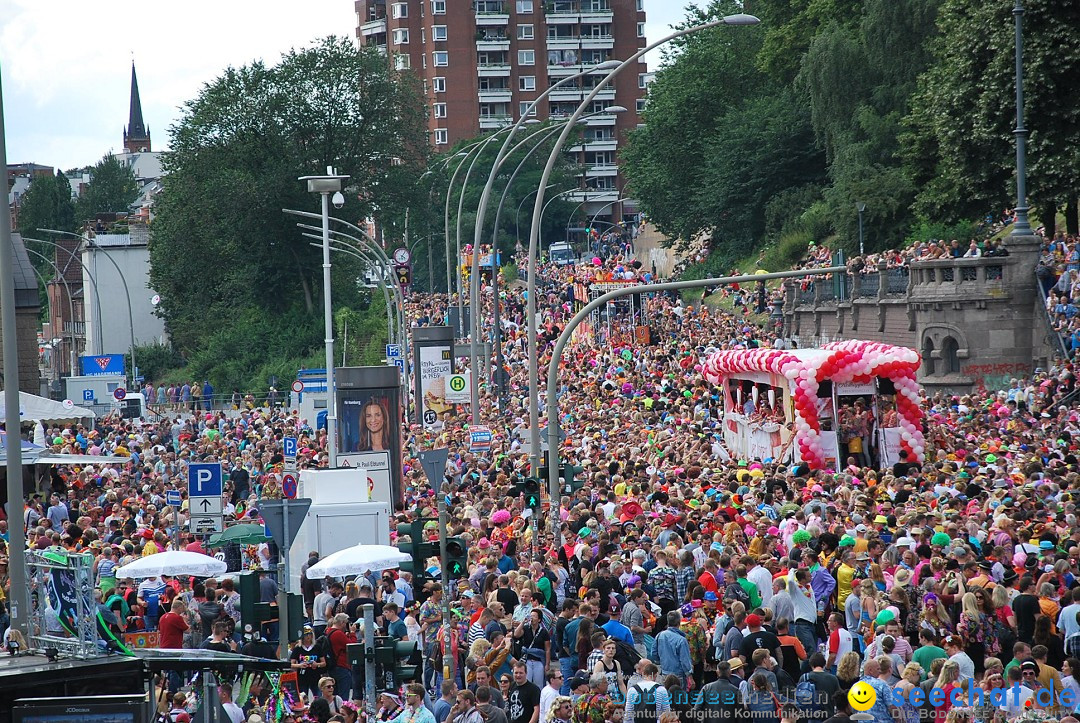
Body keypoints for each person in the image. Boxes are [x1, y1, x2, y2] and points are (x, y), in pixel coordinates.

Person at [656, 611, 693, 690]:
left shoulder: (660, 635)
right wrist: (690, 676)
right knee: (678, 699)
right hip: (678, 675)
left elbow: (654, 653)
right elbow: (684, 660)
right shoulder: (681, 640)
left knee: (666, 698)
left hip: (665, 673)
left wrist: (662, 662)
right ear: (679, 622)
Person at [291, 624, 330, 698]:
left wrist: (316, 664)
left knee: (318, 697)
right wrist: (300, 665)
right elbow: (291, 664)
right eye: (306, 635)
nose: (308, 636)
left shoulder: (317, 647)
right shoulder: (298, 648)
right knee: (303, 698)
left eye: (310, 634)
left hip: (315, 677)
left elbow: (324, 663)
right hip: (302, 678)